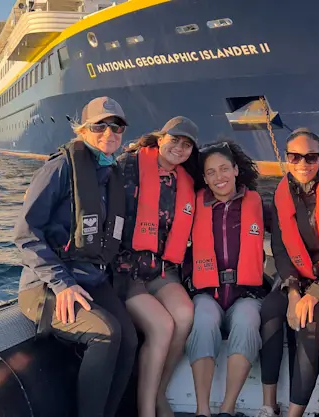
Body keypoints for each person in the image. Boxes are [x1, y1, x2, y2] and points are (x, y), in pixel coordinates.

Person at [14, 96, 138, 417]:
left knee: (130, 339)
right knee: (106, 333)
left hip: (93, 278)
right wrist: (62, 284)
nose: (108, 132)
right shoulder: (60, 168)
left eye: (116, 126)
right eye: (99, 126)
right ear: (83, 130)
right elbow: (25, 233)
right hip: (47, 286)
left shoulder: (110, 174)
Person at [258, 128, 319, 417]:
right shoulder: (283, 191)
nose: (302, 164)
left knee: (310, 325)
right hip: (297, 278)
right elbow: (280, 248)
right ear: (286, 159)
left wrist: (316, 294)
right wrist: (294, 292)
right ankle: (268, 405)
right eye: (295, 157)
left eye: (310, 157)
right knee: (270, 311)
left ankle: (294, 413)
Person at [113, 116, 201, 417]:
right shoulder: (128, 166)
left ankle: (159, 391)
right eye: (174, 140)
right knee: (162, 326)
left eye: (187, 144)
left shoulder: (185, 180)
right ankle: (147, 409)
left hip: (161, 270)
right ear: (160, 138)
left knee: (184, 315)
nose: (180, 147)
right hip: (125, 271)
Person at [184, 141, 268, 417]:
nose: (219, 177)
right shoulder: (194, 206)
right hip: (207, 292)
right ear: (204, 178)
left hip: (246, 294)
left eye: (224, 169)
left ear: (235, 170)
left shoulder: (256, 204)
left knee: (246, 323)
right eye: (211, 172)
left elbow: (289, 237)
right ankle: (202, 410)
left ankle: (227, 409)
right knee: (204, 322)